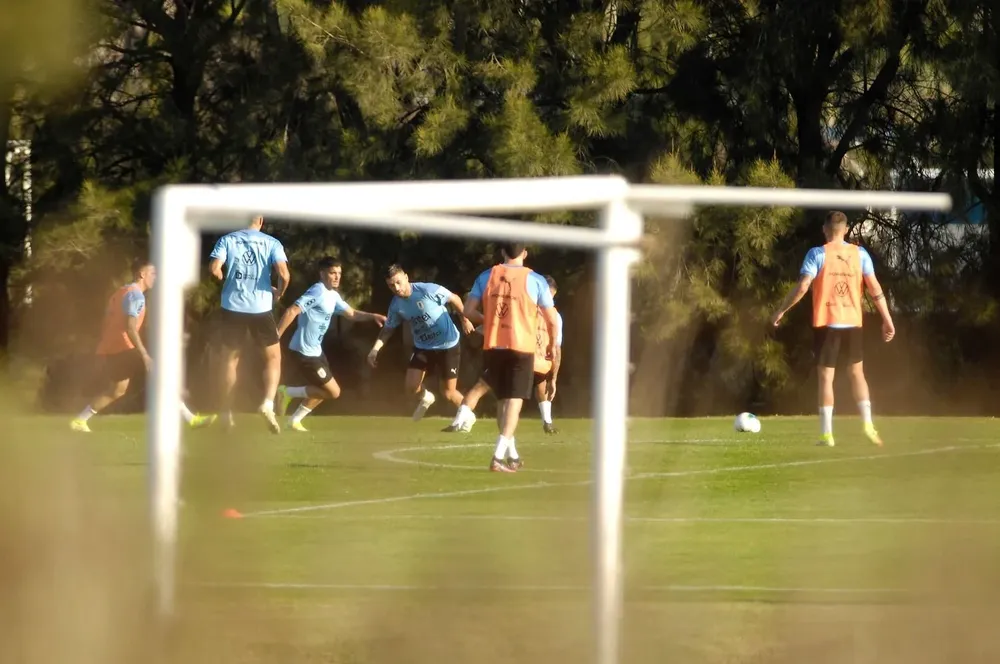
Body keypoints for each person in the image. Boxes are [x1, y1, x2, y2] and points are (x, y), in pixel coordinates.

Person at [771, 210, 895, 447]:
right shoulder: (860, 254)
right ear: (846, 230)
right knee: (857, 374)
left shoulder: (817, 254)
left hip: (827, 323)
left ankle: (827, 435)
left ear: (824, 230)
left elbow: (803, 286)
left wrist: (782, 310)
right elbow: (875, 288)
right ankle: (868, 425)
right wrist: (887, 319)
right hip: (853, 322)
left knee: (826, 378)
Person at [70, 259, 215, 432]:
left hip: (112, 350)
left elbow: (107, 320)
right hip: (125, 348)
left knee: (117, 391)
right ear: (141, 274)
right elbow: (130, 328)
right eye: (152, 273)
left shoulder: (120, 292)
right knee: (162, 378)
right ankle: (191, 419)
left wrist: (106, 344)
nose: (155, 277)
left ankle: (80, 420)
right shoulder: (136, 296)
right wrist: (144, 354)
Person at [464, 244, 560, 472]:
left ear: (502, 252)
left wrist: (490, 321)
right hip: (521, 346)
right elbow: (552, 318)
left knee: (502, 400)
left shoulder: (487, 276)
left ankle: (512, 454)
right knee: (514, 401)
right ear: (524, 252)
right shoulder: (535, 280)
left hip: (494, 345)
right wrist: (552, 345)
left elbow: (468, 311)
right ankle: (498, 456)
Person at [275, 257, 385, 431]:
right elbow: (292, 310)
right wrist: (276, 336)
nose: (337, 277)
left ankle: (294, 420)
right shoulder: (317, 291)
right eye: (333, 273)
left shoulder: (332, 295)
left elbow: (352, 314)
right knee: (333, 391)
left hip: (316, 352)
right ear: (322, 274)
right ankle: (286, 392)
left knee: (325, 390)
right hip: (304, 352)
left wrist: (373, 316)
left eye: (339, 273)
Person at [446, 275, 563, 435]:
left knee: (496, 392)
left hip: (519, 358)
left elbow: (556, 346)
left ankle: (462, 423)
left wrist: (481, 331)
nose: (549, 301)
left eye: (551, 297)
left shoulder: (532, 310)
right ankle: (542, 424)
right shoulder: (538, 311)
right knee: (509, 394)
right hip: (525, 359)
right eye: (548, 296)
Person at [208, 215, 290, 433]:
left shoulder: (227, 239)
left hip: (232, 307)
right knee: (273, 358)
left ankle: (226, 412)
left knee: (230, 360)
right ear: (260, 220)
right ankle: (267, 404)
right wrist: (279, 293)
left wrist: (222, 277)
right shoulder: (272, 243)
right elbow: (284, 275)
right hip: (260, 308)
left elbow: (214, 268)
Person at [367, 264, 475, 420]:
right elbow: (388, 329)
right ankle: (426, 397)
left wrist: (464, 320)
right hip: (423, 347)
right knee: (411, 388)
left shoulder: (427, 290)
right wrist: (375, 349)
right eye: (391, 285)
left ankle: (469, 416)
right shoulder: (396, 305)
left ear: (406, 277)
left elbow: (454, 298)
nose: (396, 288)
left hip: (448, 345)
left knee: (448, 392)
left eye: (398, 282)